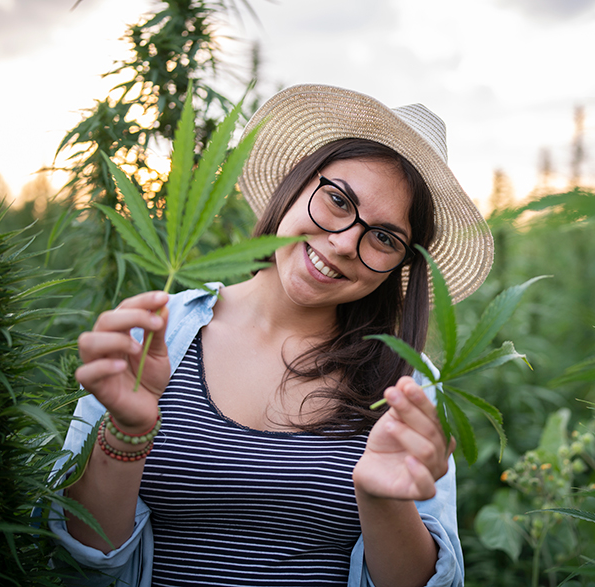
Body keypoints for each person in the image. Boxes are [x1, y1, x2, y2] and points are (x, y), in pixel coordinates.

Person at [50, 84, 494, 587]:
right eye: (337, 200)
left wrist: (384, 500)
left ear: (400, 267)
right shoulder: (155, 332)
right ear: (298, 179)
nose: (346, 242)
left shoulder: (411, 386)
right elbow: (77, 560)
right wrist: (126, 433)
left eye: (385, 238)